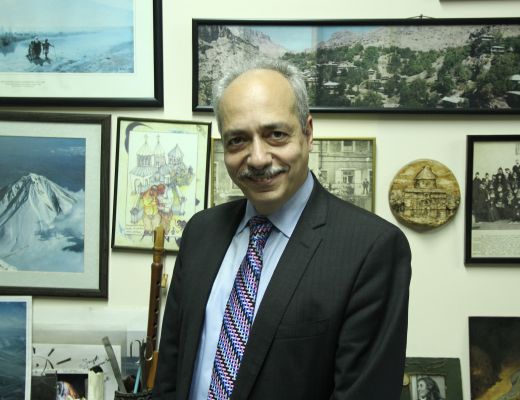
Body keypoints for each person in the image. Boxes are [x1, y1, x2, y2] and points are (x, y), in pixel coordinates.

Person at [153, 59, 412, 399]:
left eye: (276, 134)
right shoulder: (201, 232)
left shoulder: (371, 249)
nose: (258, 158)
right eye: (237, 140)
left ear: (308, 133)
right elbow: (169, 378)